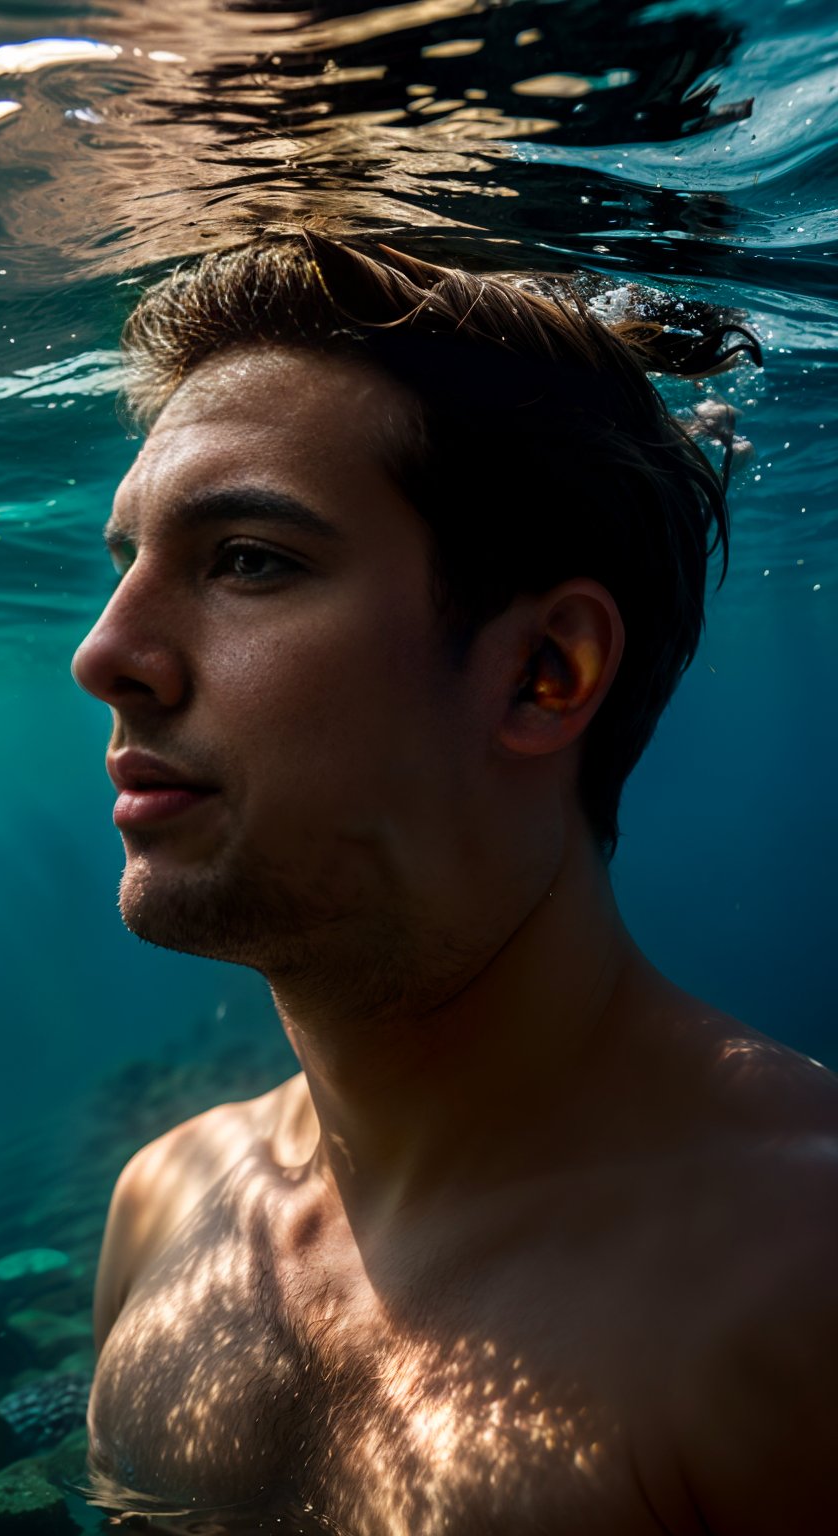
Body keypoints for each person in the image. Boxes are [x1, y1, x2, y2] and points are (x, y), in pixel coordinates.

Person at [70, 231, 837, 1535]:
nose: (107, 653)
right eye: (126, 560)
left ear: (547, 671)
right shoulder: (166, 1201)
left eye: (248, 558)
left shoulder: (796, 1287)